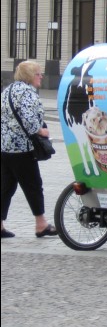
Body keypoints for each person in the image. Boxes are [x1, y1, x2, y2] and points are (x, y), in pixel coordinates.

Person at [1, 61, 58, 238]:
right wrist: (41, 130)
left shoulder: (7, 91)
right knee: (33, 186)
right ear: (29, 76)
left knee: (5, 187)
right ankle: (41, 224)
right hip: (22, 149)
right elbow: (29, 121)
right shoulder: (27, 93)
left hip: (4, 146)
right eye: (38, 74)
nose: (41, 76)